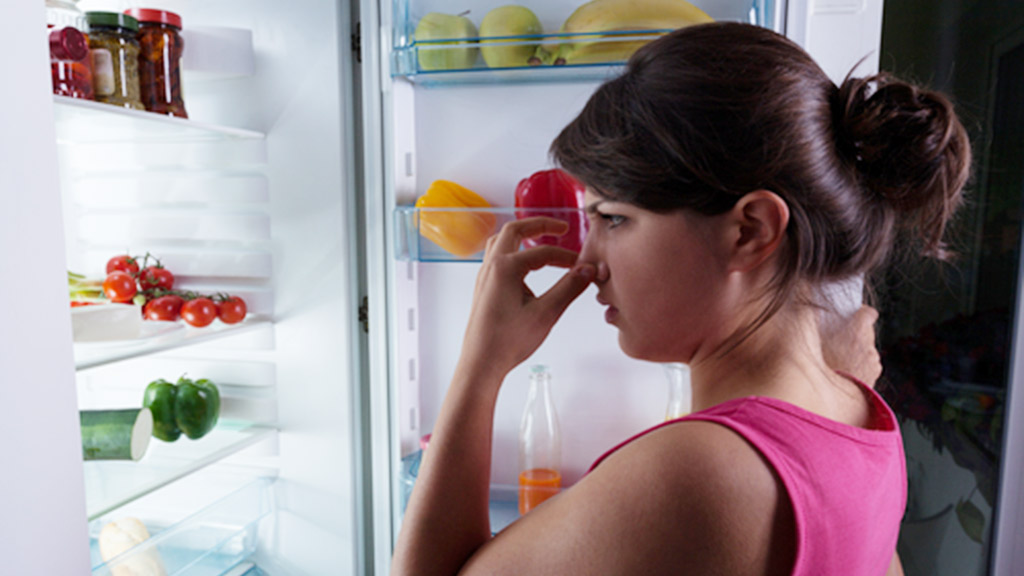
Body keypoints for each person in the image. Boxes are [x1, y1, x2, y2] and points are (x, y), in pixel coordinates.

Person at [391, 22, 971, 576]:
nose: (589, 262)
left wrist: (481, 364)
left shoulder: (694, 473)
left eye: (614, 218)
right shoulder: (862, 415)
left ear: (750, 230)